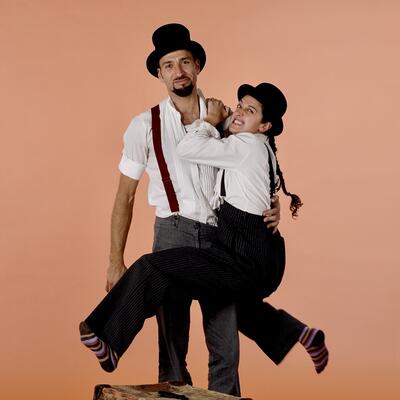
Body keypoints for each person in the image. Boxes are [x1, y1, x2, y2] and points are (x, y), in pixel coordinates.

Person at [80, 82, 329, 384]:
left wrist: (209, 121)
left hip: (243, 253)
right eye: (240, 105)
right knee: (230, 302)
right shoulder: (253, 143)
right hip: (257, 252)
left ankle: (106, 337)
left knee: (151, 267)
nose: (238, 112)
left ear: (265, 126)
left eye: (249, 111)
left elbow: (188, 149)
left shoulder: (244, 143)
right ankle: (300, 333)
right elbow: (258, 183)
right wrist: (271, 203)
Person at [104, 23, 281, 396]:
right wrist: (115, 260)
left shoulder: (228, 118)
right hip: (172, 233)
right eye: (168, 65)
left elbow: (257, 165)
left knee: (225, 348)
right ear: (159, 74)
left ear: (197, 65)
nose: (178, 71)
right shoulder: (143, 126)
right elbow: (125, 197)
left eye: (185, 62)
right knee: (172, 347)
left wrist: (271, 203)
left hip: (222, 239)